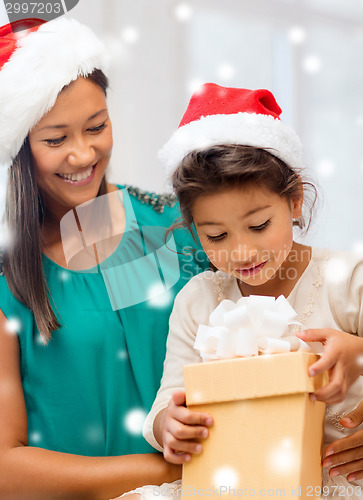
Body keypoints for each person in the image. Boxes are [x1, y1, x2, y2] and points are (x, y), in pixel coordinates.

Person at [0, 17, 209, 499]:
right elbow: (6, 467)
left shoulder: (178, 228)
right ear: (17, 149)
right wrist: (165, 472)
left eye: (97, 126)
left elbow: (280, 332)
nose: (83, 154)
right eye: (55, 140)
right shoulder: (8, 281)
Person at [141, 84, 363, 498]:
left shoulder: (347, 280)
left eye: (258, 226)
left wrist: (357, 352)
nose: (241, 251)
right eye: (216, 235)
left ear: (295, 201)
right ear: (194, 230)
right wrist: (167, 425)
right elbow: (169, 399)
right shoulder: (198, 300)